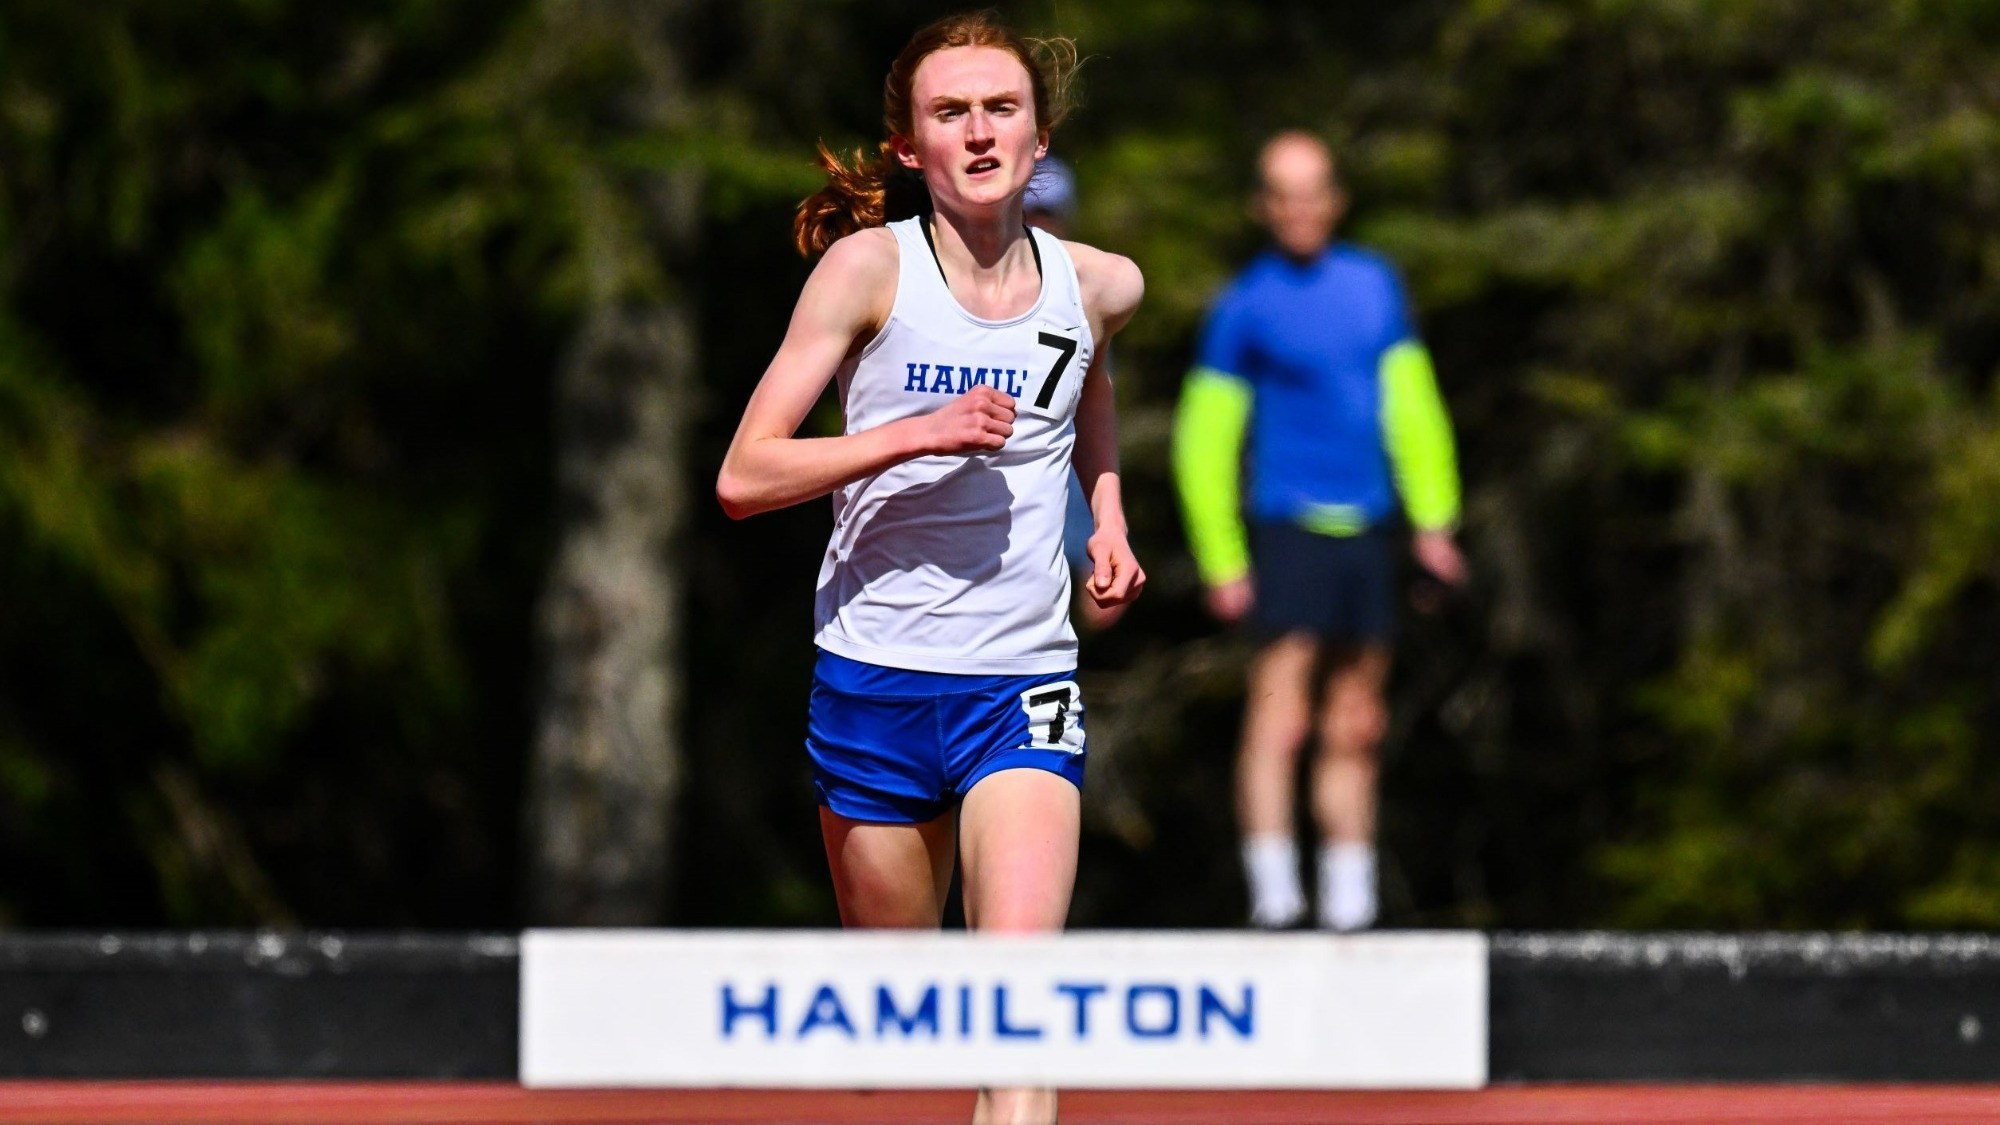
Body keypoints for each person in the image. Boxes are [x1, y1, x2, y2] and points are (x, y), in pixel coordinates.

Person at [716, 13, 1144, 1123]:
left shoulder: (1101, 286)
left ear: (1040, 137)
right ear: (911, 147)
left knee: (1017, 1007)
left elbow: (1085, 388)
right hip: (877, 677)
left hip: (1022, 682)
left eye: (1002, 108)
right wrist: (913, 434)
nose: (980, 131)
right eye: (951, 113)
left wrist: (1107, 515)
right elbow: (744, 475)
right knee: (902, 1012)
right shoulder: (868, 272)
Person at [1172, 131, 1465, 932]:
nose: (1300, 208)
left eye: (1312, 192)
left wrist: (1435, 520)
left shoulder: (1375, 286)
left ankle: (1350, 903)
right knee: (1281, 713)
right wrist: (1221, 556)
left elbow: (1413, 408)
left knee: (1357, 717)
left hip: (1368, 524)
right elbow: (1205, 439)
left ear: (1334, 199)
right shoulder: (1245, 305)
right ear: (1263, 206)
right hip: (1286, 523)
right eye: (1283, 194)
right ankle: (1275, 897)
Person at [1024, 156, 1127, 632]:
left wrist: (1105, 535)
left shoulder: (1084, 305)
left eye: (1049, 214)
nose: (1039, 226)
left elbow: (1086, 433)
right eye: (1028, 213)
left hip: (1063, 536)